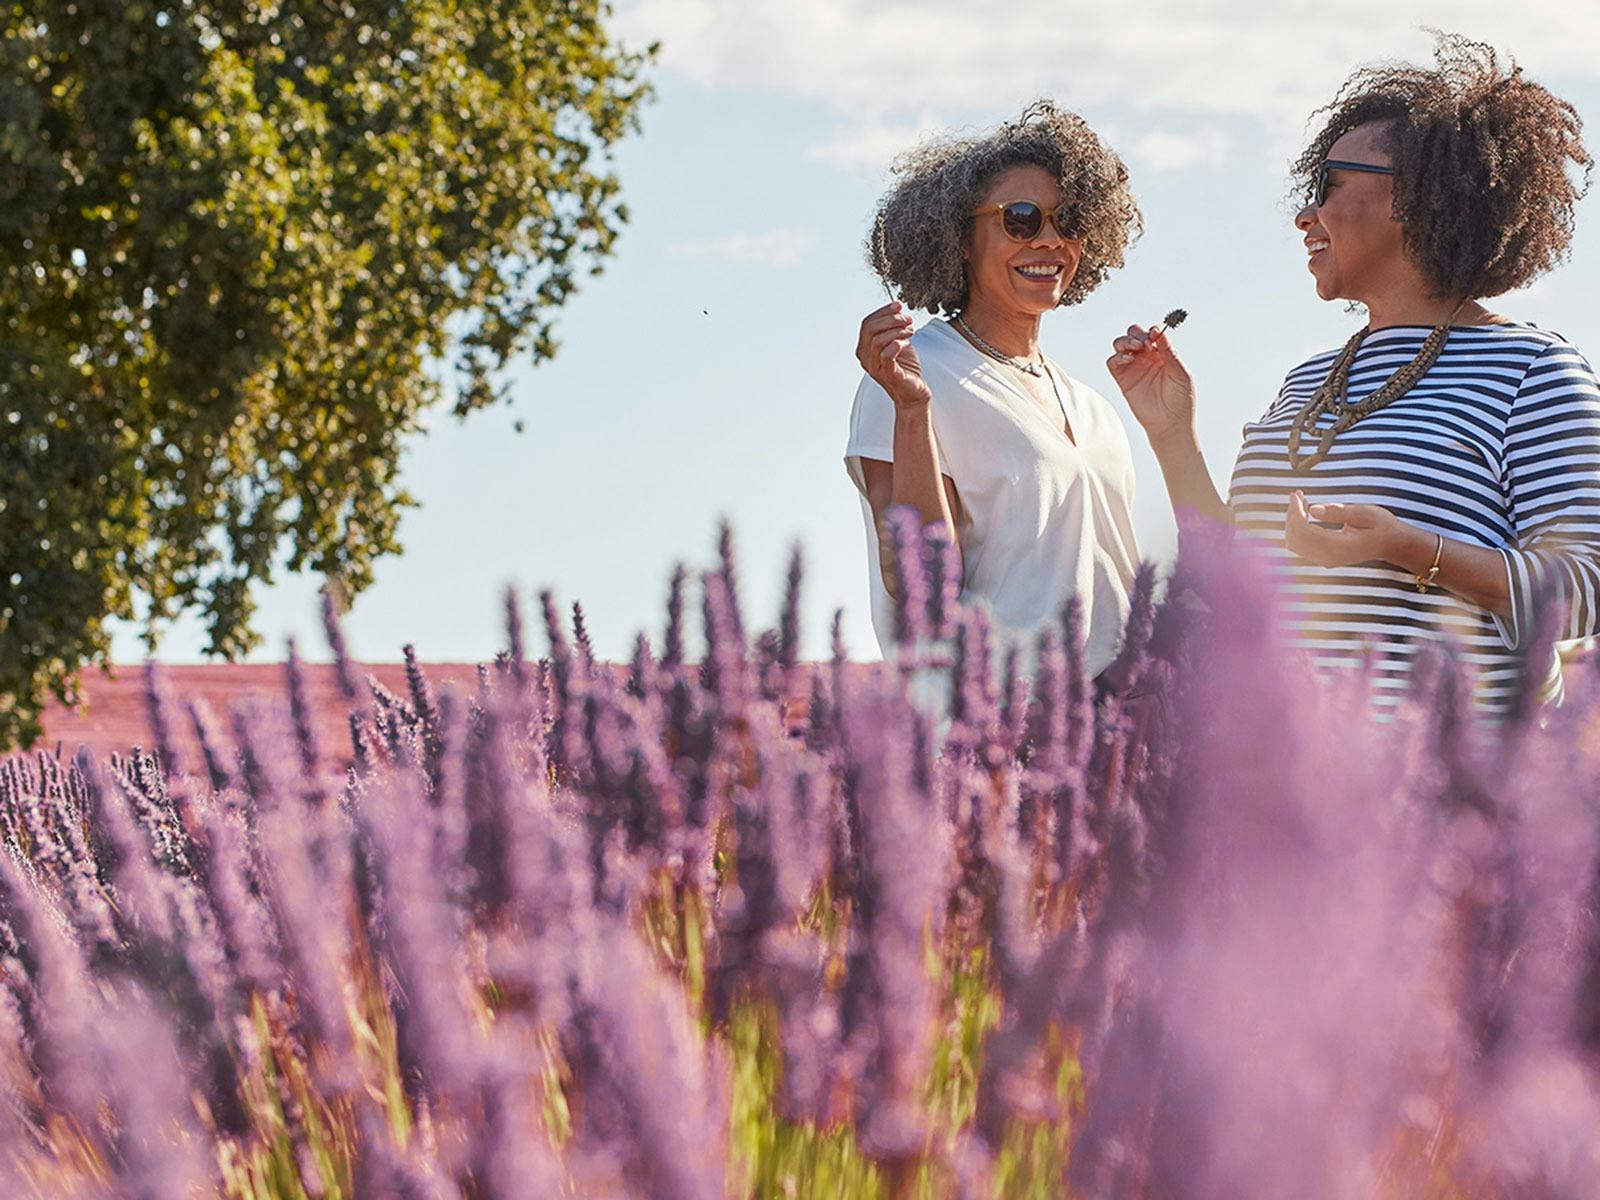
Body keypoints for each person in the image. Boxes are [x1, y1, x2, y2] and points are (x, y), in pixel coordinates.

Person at [1109, 34, 1599, 715]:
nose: (1305, 213)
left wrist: (1413, 549)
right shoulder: (1307, 380)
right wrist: (1173, 438)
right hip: (1299, 797)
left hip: (1455, 799)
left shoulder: (1535, 373)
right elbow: (1238, 581)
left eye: (1329, 185)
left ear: (1423, 200)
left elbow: (1583, 592)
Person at [846, 101, 1144, 679]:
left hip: (1118, 733)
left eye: (1071, 221)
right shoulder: (913, 371)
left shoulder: (1095, 409)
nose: (1051, 241)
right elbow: (924, 594)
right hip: (997, 736)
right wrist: (912, 411)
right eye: (1022, 218)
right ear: (960, 238)